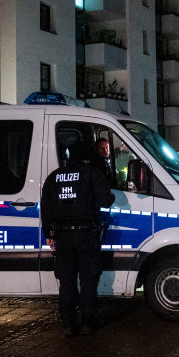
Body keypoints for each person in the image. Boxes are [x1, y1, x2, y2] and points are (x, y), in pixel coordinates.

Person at [41, 140, 115, 336]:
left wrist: (48, 234)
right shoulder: (92, 174)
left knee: (66, 280)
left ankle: (67, 323)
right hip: (86, 234)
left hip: (62, 236)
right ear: (87, 156)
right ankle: (87, 322)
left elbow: (46, 208)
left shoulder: (54, 177)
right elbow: (106, 200)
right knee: (89, 278)